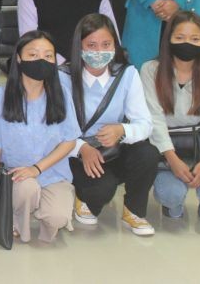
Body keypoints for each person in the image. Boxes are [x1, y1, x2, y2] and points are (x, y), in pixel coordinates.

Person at [60, 14, 159, 235]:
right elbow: (57, 129)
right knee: (101, 191)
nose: (99, 51)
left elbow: (145, 124)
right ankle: (83, 194)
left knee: (148, 153)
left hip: (114, 147)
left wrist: (122, 130)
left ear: (115, 44)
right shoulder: (63, 77)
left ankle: (134, 211)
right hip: (77, 153)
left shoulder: (128, 74)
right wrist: (82, 148)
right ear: (80, 47)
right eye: (91, 45)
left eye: (106, 44)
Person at [0, 31, 80, 243]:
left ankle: (42, 209)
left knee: (57, 218)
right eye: (33, 54)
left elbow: (69, 140)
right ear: (18, 58)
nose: (41, 60)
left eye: (48, 56)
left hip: (52, 173)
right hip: (16, 176)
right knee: (27, 189)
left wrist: (37, 168)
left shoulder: (61, 95)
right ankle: (14, 215)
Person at [142, 11, 200, 219]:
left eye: (194, 39)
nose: (186, 43)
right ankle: (173, 206)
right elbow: (154, 119)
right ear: (168, 39)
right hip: (167, 146)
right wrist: (171, 158)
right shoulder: (150, 70)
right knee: (170, 195)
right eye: (179, 37)